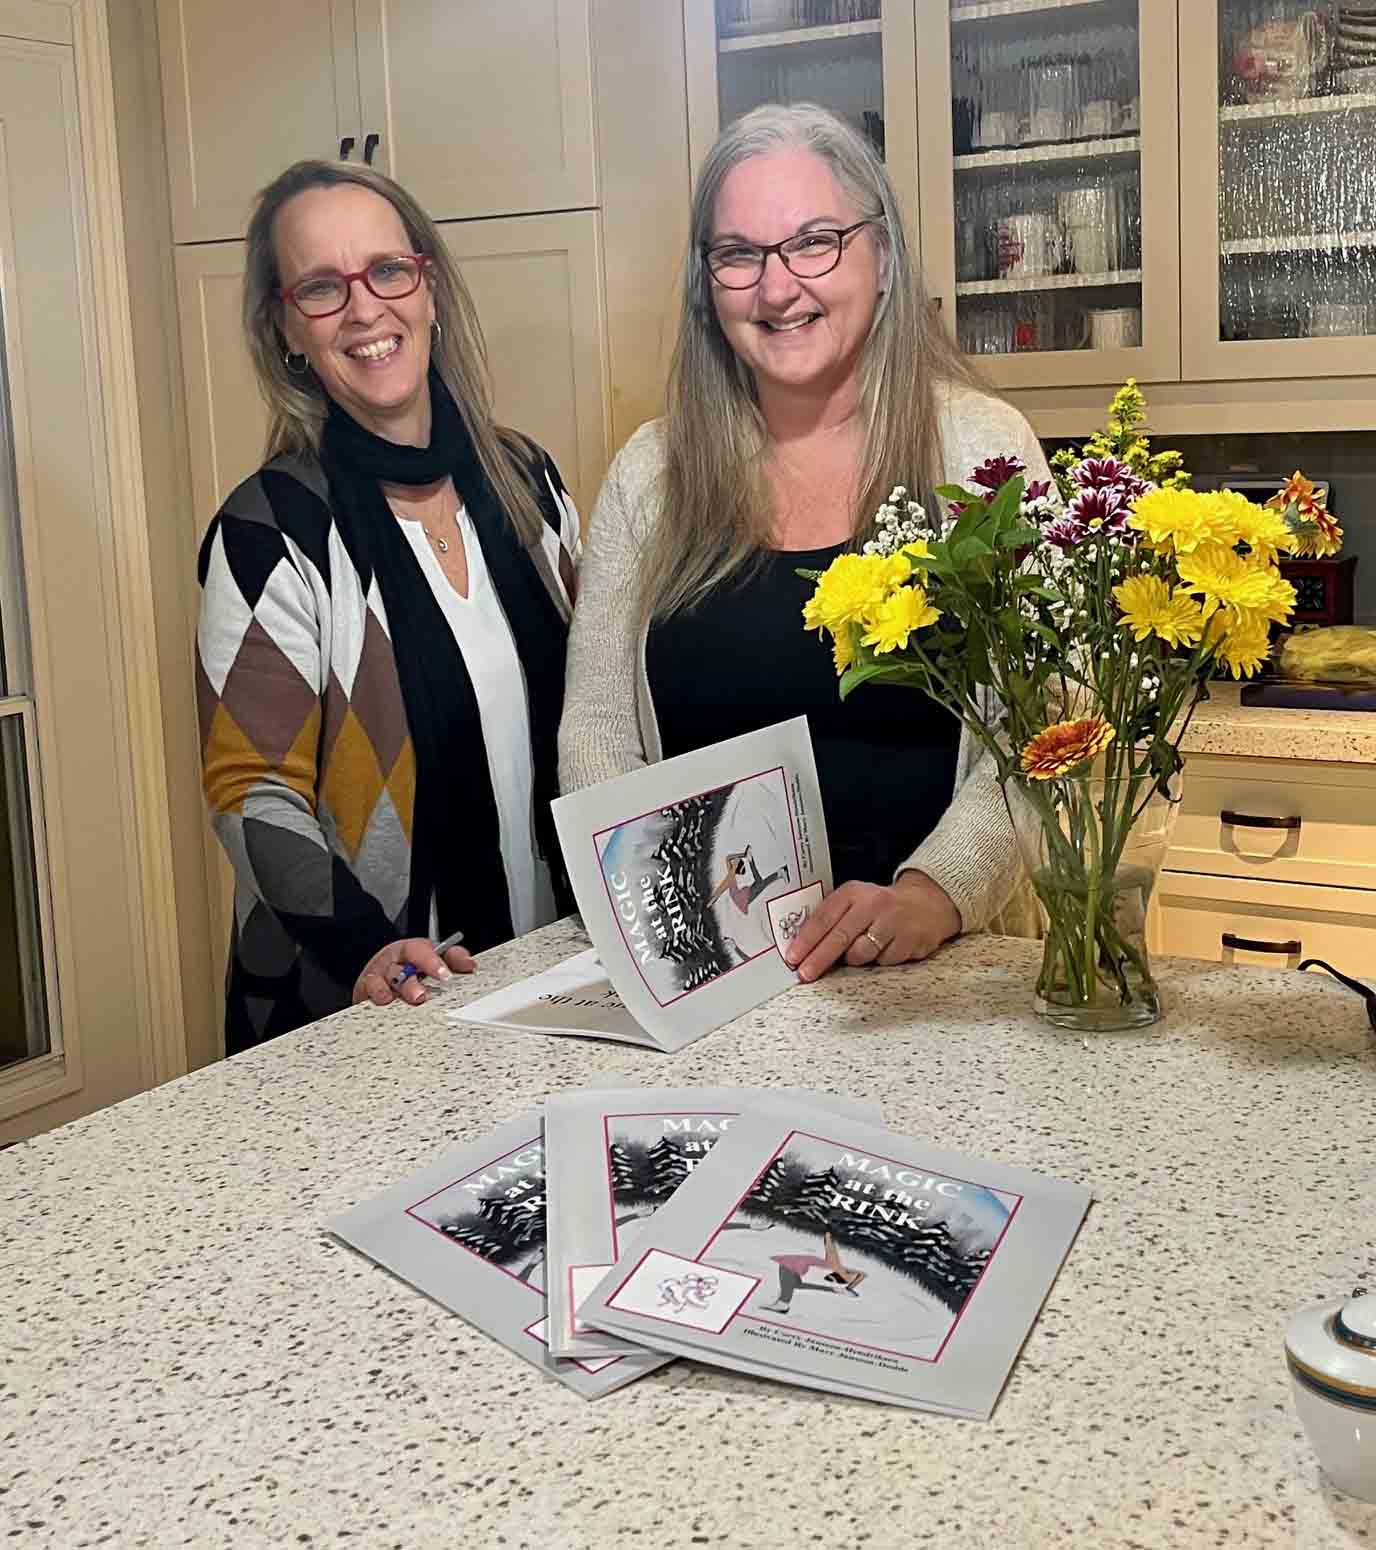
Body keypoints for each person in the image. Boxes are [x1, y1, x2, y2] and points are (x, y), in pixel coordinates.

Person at [559, 103, 1050, 982]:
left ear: (884, 256)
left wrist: (933, 894)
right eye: (738, 254)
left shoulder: (985, 452)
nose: (777, 287)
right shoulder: (650, 474)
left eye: (815, 241)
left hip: (942, 976)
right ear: (706, 286)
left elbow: (1042, 731)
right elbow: (597, 734)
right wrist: (664, 928)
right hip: (714, 981)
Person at [197, 160, 580, 1051]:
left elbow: (597, 710)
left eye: (388, 272)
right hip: (370, 997)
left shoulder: (529, 483)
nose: (366, 309)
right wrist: (366, 945)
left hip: (551, 971)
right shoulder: (271, 529)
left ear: (428, 286)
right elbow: (250, 791)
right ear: (286, 325)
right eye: (324, 287)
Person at [761, 1232, 866, 1314]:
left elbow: (830, 1251)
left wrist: (828, 1237)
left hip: (801, 1261)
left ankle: (783, 1303)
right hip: (805, 1260)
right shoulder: (839, 1267)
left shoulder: (836, 1266)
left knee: (787, 1266)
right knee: (796, 1284)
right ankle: (836, 1290)